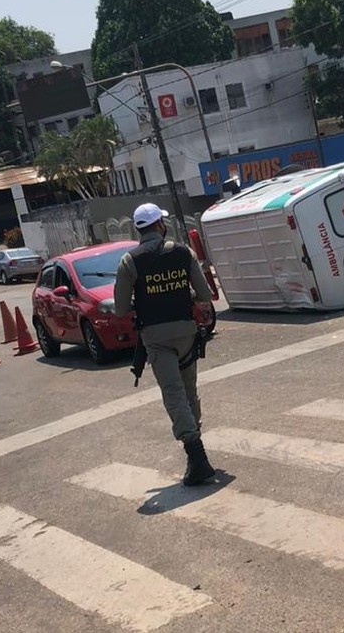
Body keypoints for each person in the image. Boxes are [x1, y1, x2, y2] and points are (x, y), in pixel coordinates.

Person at [113, 203, 218, 486]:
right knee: (188, 391)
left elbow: (121, 309)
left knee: (173, 394)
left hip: (156, 340)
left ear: (138, 229)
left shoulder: (129, 261)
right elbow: (205, 294)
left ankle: (196, 456)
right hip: (186, 332)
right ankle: (196, 454)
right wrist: (181, 293)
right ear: (160, 224)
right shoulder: (184, 252)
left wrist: (145, 299)